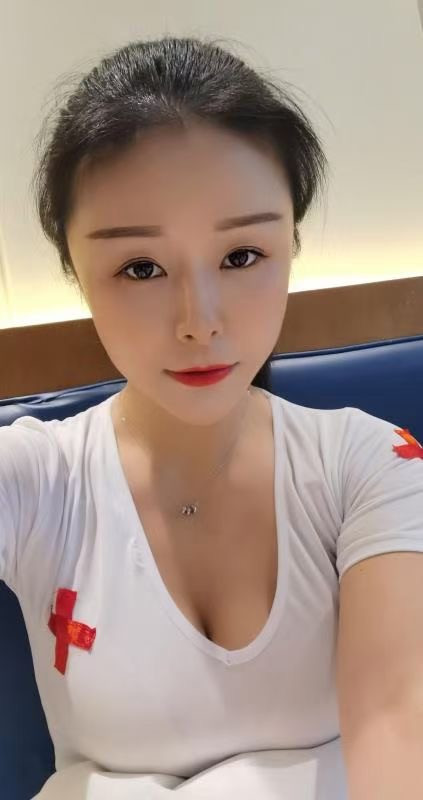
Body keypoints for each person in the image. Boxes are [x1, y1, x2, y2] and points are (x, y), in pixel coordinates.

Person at [1, 35, 422, 799]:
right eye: (140, 268)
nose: (200, 322)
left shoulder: (368, 466)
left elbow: (397, 725)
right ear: (75, 270)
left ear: (290, 244)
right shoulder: (36, 481)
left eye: (241, 256)